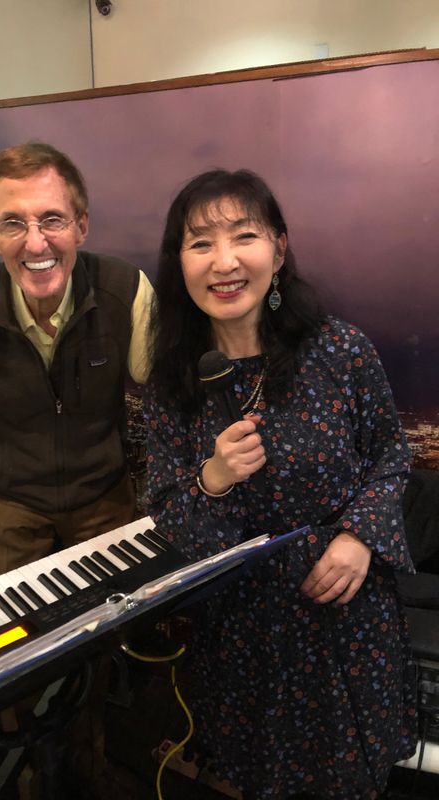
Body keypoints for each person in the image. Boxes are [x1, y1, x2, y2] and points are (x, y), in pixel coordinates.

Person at [143, 168, 417, 800]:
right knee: (258, 774)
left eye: (245, 236)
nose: (225, 261)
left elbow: (390, 456)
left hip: (345, 614)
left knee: (352, 776)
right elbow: (168, 522)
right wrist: (213, 478)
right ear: (179, 262)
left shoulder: (339, 350)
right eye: (201, 243)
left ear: (280, 247)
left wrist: (358, 537)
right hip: (241, 634)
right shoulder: (171, 384)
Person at [0, 140, 153, 592]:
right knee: (17, 626)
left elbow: (168, 387)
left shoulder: (126, 288)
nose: (35, 242)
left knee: (113, 617)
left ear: (81, 226)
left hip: (105, 497)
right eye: (13, 223)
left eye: (52, 219)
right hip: (10, 504)